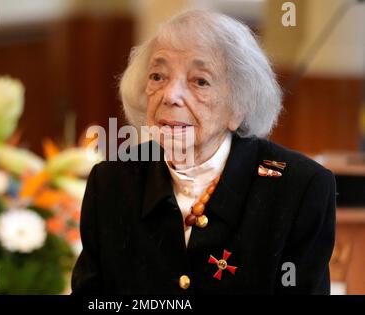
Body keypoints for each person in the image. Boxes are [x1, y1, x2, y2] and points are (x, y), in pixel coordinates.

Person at [71, 10, 336, 294]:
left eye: (200, 81)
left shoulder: (298, 189)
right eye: (158, 76)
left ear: (239, 106)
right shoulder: (111, 182)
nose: (170, 96)